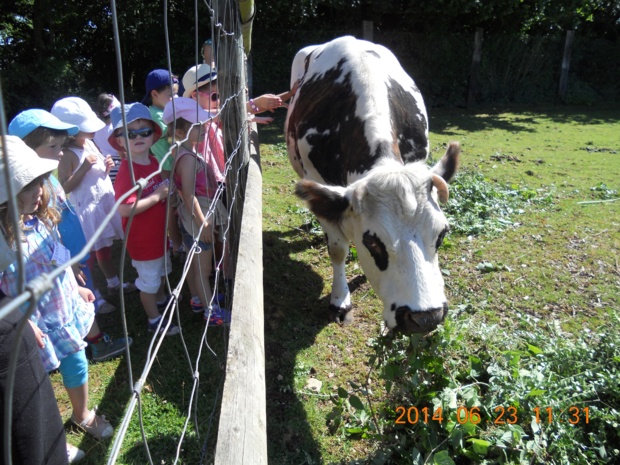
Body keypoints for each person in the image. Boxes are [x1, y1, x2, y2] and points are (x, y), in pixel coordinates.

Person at [0, 136, 133, 449]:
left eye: (41, 183)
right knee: (34, 383)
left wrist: (76, 287)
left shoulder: (40, 220)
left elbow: (58, 256)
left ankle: (81, 413)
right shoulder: (3, 242)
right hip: (29, 323)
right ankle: (45, 433)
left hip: (61, 310)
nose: (40, 192)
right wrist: (21, 321)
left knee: (76, 362)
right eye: (29, 186)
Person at [8, 108, 117, 316]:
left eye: (61, 145)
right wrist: (66, 263)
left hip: (73, 245)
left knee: (85, 274)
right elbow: (44, 229)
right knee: (73, 290)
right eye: (53, 146)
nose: (60, 151)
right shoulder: (33, 190)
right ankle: (93, 329)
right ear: (26, 150)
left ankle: (95, 304)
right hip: (61, 254)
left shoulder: (49, 178)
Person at [51, 97, 136, 299]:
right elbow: (65, 187)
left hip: (103, 202)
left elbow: (97, 173)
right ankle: (92, 291)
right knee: (91, 251)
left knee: (105, 246)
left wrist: (106, 167)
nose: (92, 129)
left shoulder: (89, 144)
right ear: (70, 131)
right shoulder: (68, 155)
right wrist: (84, 168)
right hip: (87, 208)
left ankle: (113, 282)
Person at [109, 103, 180, 336]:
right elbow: (124, 210)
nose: (138, 137)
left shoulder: (152, 163)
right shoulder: (127, 172)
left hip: (158, 236)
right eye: (130, 133)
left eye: (144, 131)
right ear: (119, 140)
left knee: (160, 273)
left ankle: (160, 300)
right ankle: (154, 320)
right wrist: (159, 195)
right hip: (143, 241)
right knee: (148, 281)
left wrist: (167, 196)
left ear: (153, 135)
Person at [163, 98, 231, 325]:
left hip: (189, 215)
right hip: (198, 215)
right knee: (203, 269)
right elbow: (190, 194)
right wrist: (203, 222)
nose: (203, 129)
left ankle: (197, 299)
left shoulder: (182, 153)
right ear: (180, 131)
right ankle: (212, 313)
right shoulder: (189, 160)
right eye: (197, 126)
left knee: (194, 265)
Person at [141, 69, 175, 179]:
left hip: (171, 163)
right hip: (169, 166)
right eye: (171, 95)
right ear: (155, 94)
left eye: (176, 94)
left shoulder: (163, 111)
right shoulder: (157, 115)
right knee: (174, 193)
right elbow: (172, 137)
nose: (175, 98)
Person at [93, 93, 122, 183]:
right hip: (118, 164)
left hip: (105, 165)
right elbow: (121, 150)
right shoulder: (116, 128)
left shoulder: (95, 128)